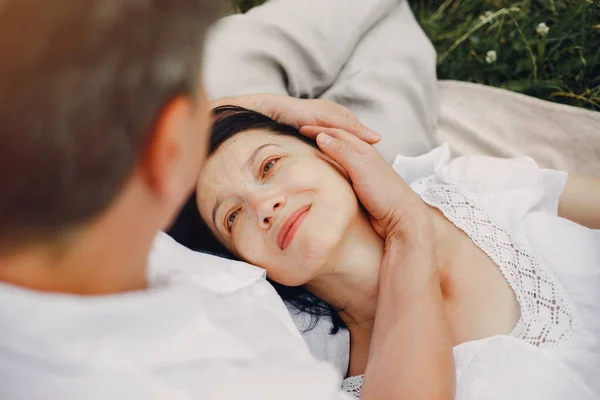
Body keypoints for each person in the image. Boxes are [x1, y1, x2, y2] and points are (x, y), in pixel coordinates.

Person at [0, 1, 454, 399]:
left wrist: (249, 115)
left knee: (241, 49)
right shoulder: (230, 383)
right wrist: (408, 229)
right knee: (378, 72)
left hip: (229, 173)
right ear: (168, 147)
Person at [171, 105, 600, 398]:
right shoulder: (331, 380)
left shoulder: (471, 187)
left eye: (269, 165)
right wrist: (404, 229)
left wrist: (270, 105)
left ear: (333, 152)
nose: (263, 207)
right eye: (232, 217)